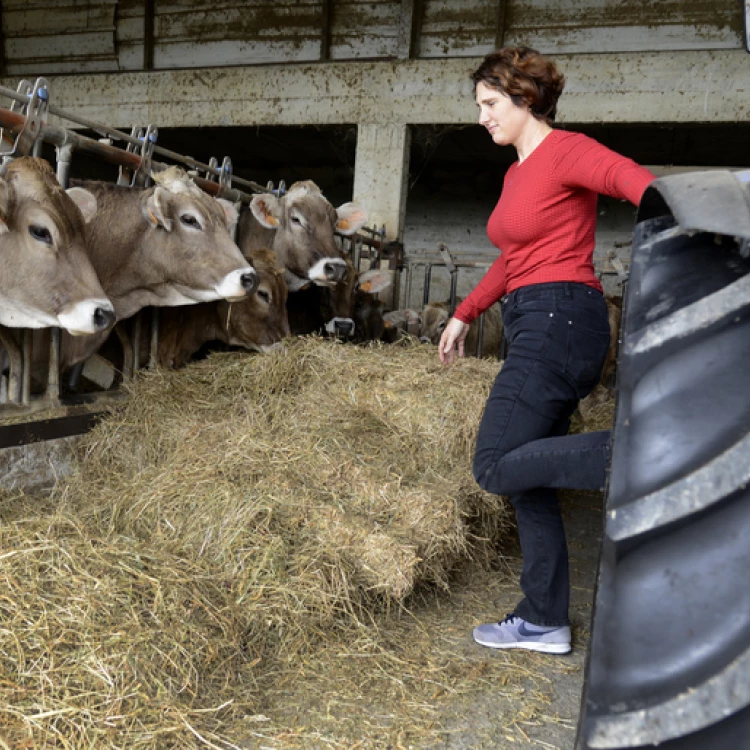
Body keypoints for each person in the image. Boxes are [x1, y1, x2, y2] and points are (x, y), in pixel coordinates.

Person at [438, 46, 656, 655]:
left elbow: (634, 182)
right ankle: (544, 618)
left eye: (489, 103)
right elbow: (514, 258)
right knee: (527, 474)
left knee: (492, 462)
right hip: (538, 317)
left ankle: (654, 456)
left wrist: (695, 224)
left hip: (560, 320)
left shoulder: (567, 151)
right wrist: (464, 312)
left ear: (523, 97)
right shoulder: (516, 173)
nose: (481, 116)